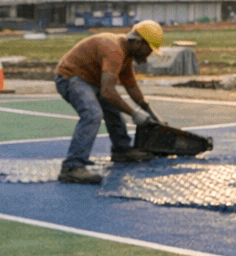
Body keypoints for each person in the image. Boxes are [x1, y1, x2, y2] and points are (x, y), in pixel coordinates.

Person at [53, 22, 163, 184]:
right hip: (71, 79)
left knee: (112, 108)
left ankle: (121, 150)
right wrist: (134, 114)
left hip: (91, 82)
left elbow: (131, 86)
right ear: (139, 42)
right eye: (150, 49)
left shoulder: (126, 55)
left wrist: (150, 112)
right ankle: (72, 167)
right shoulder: (114, 50)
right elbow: (107, 92)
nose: (149, 55)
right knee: (92, 113)